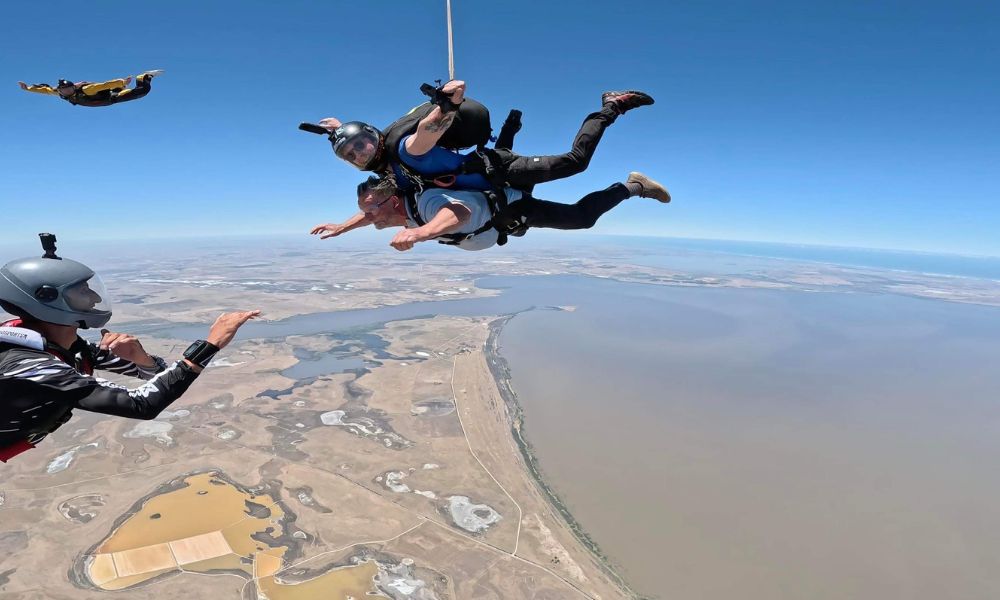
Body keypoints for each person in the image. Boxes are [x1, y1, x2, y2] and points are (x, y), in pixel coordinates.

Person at [0, 234, 258, 463]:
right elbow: (141, 404)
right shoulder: (28, 364)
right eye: (81, 290)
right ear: (46, 298)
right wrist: (210, 344)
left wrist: (141, 358)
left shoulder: (69, 347)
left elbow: (158, 376)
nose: (95, 297)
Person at [315, 80, 654, 193]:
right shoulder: (382, 159)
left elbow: (426, 131)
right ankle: (511, 126)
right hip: (487, 172)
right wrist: (339, 129)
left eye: (362, 144)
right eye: (352, 154)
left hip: (497, 168)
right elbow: (368, 143)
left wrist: (448, 104)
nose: (360, 153)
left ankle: (612, 106)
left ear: (374, 137)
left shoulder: (404, 148)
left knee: (575, 163)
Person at [321, 171, 670, 252]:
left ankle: (632, 186)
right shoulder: (392, 210)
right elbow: (369, 214)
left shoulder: (425, 203)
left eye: (371, 211)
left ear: (391, 200)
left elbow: (457, 213)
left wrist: (421, 232)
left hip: (514, 206)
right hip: (501, 220)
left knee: (582, 217)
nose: (369, 218)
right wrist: (341, 226)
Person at [18, 70, 163, 107]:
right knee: (139, 93)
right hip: (107, 101)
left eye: (68, 89)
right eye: (63, 90)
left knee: (142, 91)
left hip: (113, 96)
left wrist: (121, 82)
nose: (66, 92)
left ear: (73, 86)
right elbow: (46, 90)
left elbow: (103, 85)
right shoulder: (61, 93)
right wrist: (28, 88)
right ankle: (138, 80)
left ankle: (143, 77)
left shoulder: (86, 89)